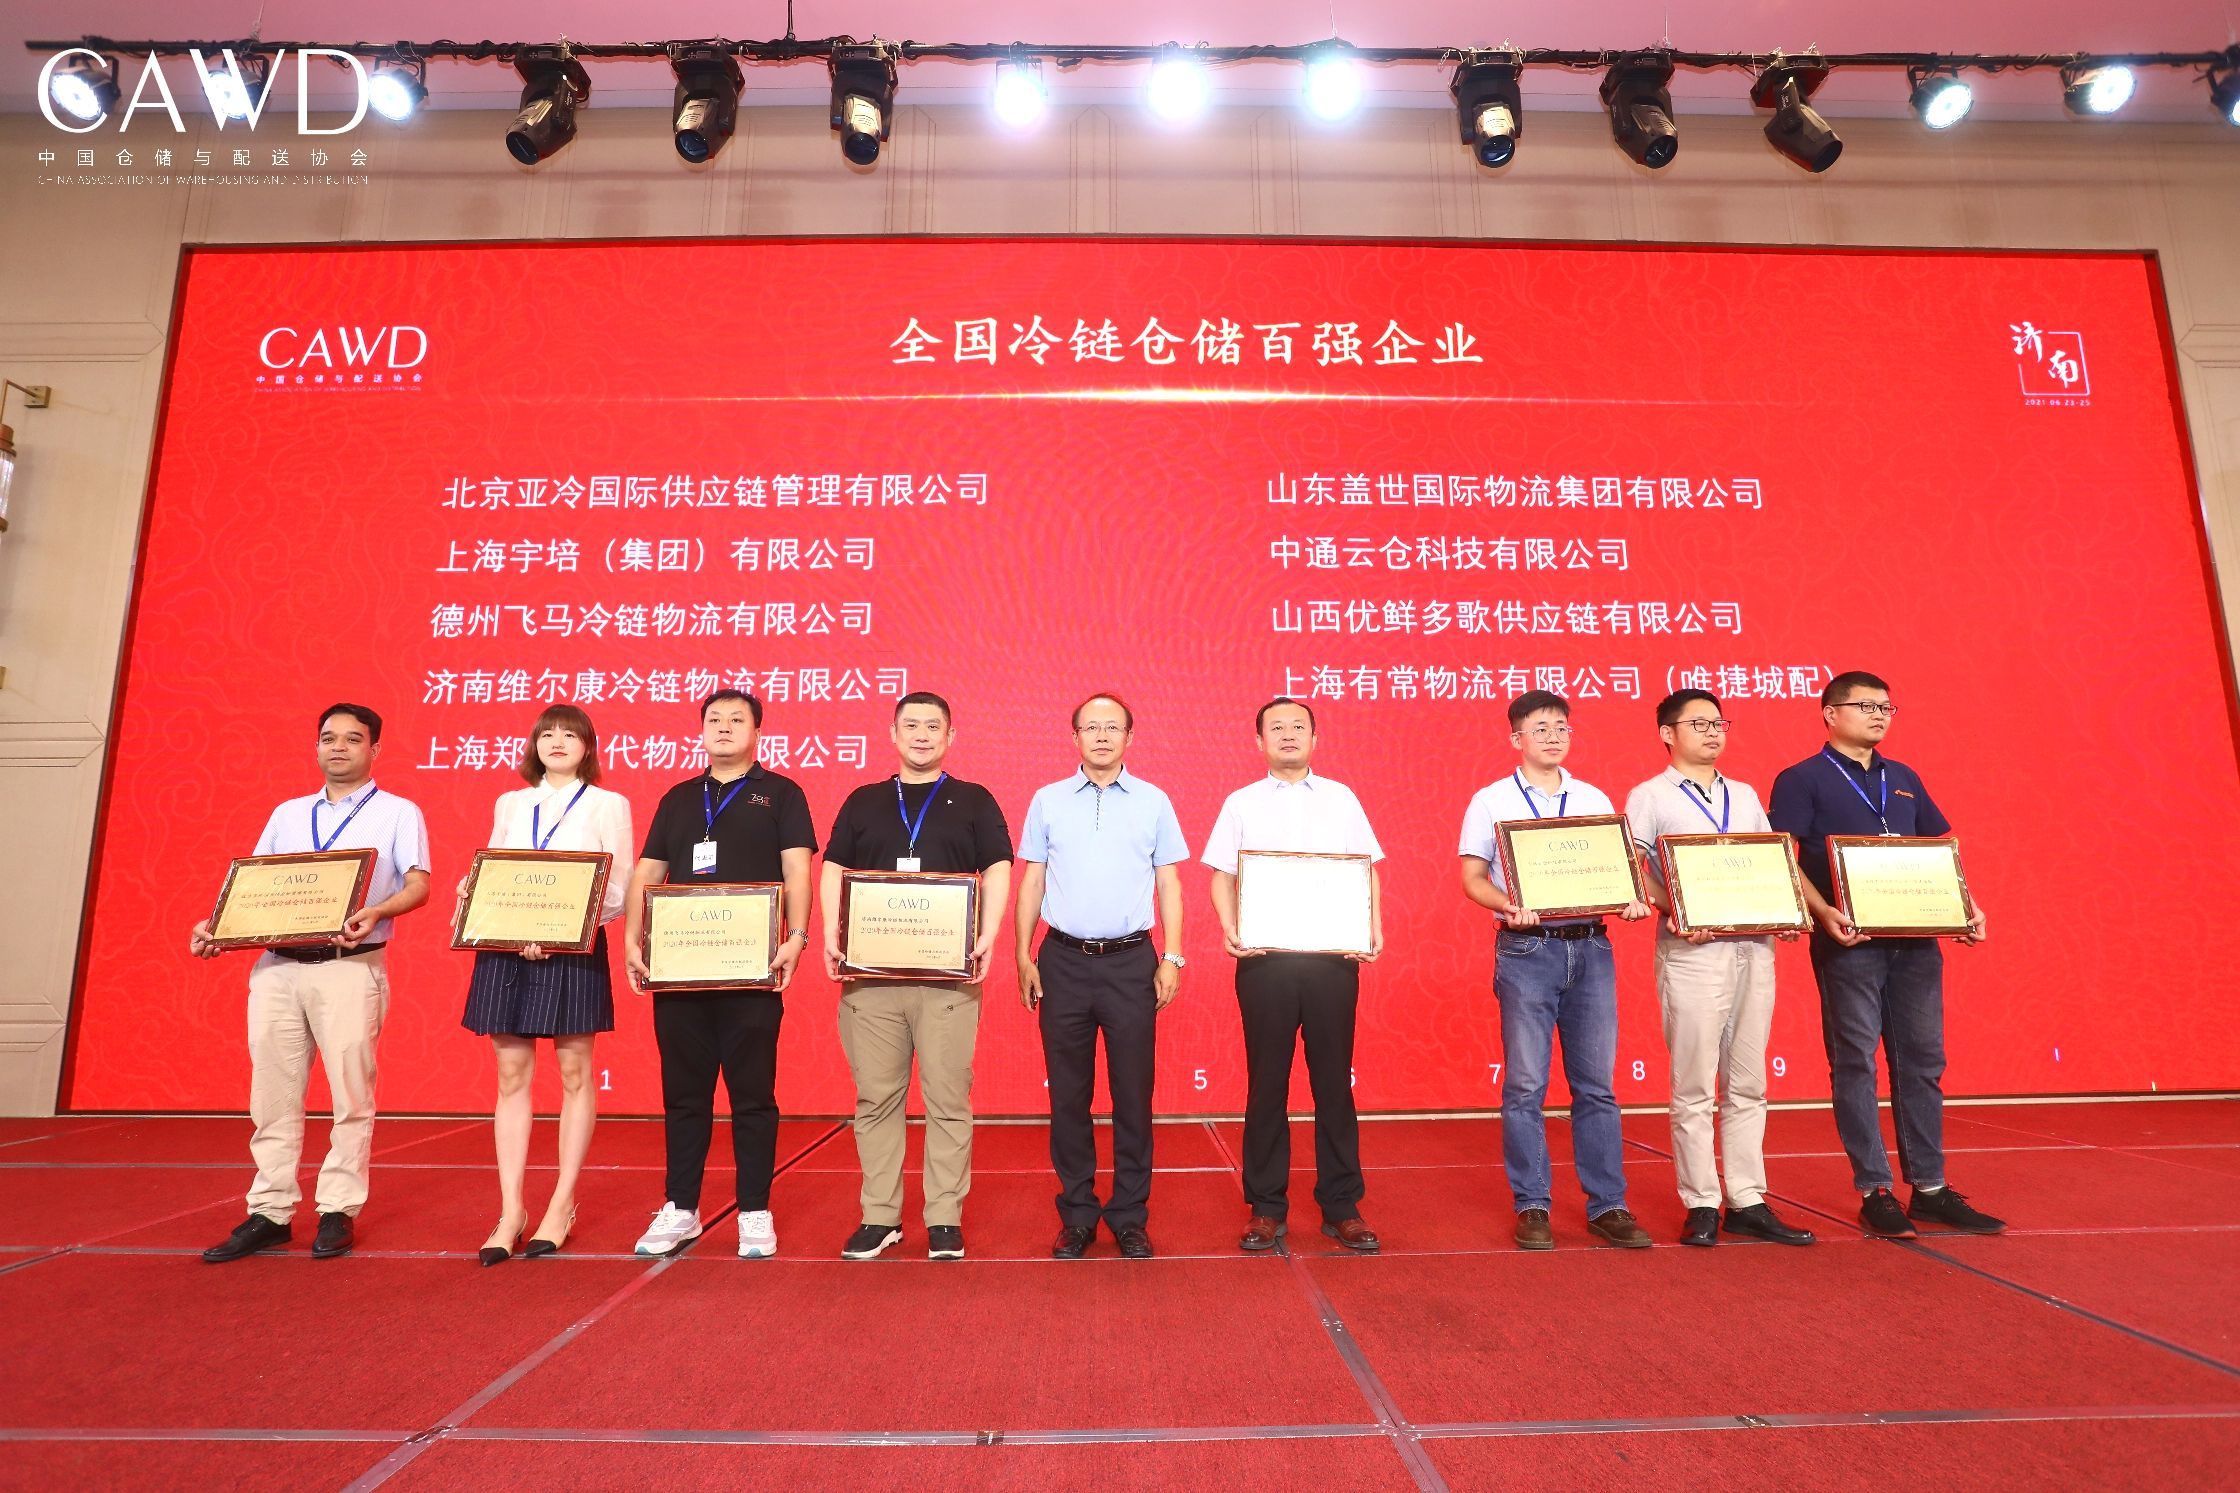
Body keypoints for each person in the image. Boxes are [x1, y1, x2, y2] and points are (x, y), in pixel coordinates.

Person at [193, 703, 431, 1263]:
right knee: (271, 1096)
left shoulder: (398, 812)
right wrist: (216, 929)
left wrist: (378, 911)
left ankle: (337, 1209)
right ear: (316, 746)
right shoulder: (289, 813)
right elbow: (253, 891)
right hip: (277, 968)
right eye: (328, 738)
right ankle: (270, 1212)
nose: (338, 747)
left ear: (375, 749)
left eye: (352, 738)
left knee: (351, 1095)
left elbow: (419, 885)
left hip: (349, 966)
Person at [1768, 671, 2004, 1238]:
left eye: (1887, 707)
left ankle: (1930, 1188)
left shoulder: (1903, 778)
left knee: (1922, 1061)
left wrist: (1965, 907)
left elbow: (1935, 851)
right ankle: (1874, 1189)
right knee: (1855, 1062)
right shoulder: (1801, 778)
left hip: (1916, 942)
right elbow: (1782, 855)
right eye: (1866, 706)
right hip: (1850, 941)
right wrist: (1824, 912)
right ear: (1830, 714)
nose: (1879, 716)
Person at [622, 690, 816, 1258]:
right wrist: (633, 938)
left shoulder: (781, 793)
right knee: (684, 1096)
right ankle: (681, 1207)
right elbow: (648, 871)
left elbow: (797, 871)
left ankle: (754, 1210)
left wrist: (797, 937)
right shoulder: (679, 797)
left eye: (736, 719)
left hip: (751, 970)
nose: (724, 727)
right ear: (701, 730)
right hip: (681, 971)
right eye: (714, 719)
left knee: (752, 1096)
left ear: (757, 731)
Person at [1458, 690, 1654, 1251]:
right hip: (1527, 950)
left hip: (1591, 948)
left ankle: (1608, 1205)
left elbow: (1615, 872)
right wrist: (1507, 905)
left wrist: (1630, 898)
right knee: (1525, 1086)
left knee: (1597, 1087)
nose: (1552, 736)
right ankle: (1533, 1204)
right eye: (1540, 727)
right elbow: (1472, 879)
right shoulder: (1491, 800)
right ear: (1516, 738)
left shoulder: (1592, 797)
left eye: (1561, 727)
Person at [821, 691, 1012, 1261]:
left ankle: (944, 1217)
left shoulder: (974, 799)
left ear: (951, 736)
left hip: (946, 981)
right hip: (872, 980)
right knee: (876, 1100)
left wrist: (988, 934)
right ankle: (880, 1217)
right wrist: (832, 933)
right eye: (911, 725)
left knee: (948, 1099)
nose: (922, 735)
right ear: (893, 733)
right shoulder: (864, 800)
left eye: (933, 726)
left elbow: (999, 866)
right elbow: (834, 866)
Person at [1622, 690, 1814, 1248]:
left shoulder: (1745, 793)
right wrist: (1676, 912)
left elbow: (1767, 862)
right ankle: (1702, 1201)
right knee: (1694, 1084)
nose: (1712, 732)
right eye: (1699, 723)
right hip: (1694, 951)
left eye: (1718, 722)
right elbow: (1633, 865)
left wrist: (1784, 910)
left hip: (1754, 948)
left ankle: (1748, 1199)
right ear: (1667, 733)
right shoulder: (1649, 795)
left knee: (1748, 1083)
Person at [1204, 698, 1384, 1255]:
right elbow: (1221, 875)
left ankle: (1342, 1206)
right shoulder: (1241, 802)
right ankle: (1266, 1207)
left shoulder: (1341, 798)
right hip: (1265, 962)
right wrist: (1230, 927)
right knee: (1267, 1083)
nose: (1288, 735)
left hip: (1332, 960)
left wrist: (1371, 927)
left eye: (1298, 727)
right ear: (1259, 741)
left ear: (1315, 738)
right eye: (1276, 727)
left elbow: (1365, 869)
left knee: (1334, 1083)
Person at [1015, 692, 1189, 1260]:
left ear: (1130, 737)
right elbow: (1033, 880)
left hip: (1131, 962)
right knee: (1069, 1095)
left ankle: (1130, 1216)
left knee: (1133, 1094)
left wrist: (1173, 956)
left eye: (1113, 727)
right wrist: (1023, 954)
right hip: (1061, 960)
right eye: (1091, 727)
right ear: (1074, 738)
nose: (1102, 736)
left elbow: (1168, 882)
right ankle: (1078, 1215)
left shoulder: (1154, 801)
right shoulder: (1047, 800)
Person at [459, 704, 634, 1264]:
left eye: (570, 734)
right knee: (511, 1075)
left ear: (588, 746)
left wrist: (561, 930)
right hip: (506, 946)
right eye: (547, 734)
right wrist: (473, 894)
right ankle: (510, 1210)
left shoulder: (608, 803)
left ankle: (561, 1203)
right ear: (534, 744)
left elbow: (619, 882)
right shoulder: (511, 803)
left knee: (576, 1072)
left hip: (572, 948)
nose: (557, 742)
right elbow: (495, 865)